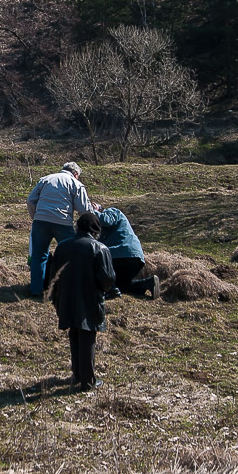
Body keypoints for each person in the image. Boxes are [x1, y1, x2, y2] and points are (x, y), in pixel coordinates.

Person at [44, 212, 115, 392]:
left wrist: (56, 297)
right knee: (88, 336)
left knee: (74, 333)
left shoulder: (63, 247)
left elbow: (53, 275)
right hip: (90, 298)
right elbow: (107, 279)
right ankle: (88, 381)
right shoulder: (100, 248)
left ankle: (77, 373)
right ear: (95, 228)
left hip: (66, 297)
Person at [26, 161, 97, 296]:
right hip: (63, 223)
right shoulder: (76, 184)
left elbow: (31, 200)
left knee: (39, 256)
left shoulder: (46, 179)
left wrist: (35, 217)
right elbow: (84, 209)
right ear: (75, 174)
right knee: (71, 255)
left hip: (40, 221)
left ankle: (36, 290)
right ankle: (69, 288)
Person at [96, 207, 161, 299]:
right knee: (122, 285)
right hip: (135, 258)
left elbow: (105, 220)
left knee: (98, 265)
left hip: (122, 254)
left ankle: (112, 290)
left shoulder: (111, 211)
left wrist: (92, 210)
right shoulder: (105, 233)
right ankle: (148, 283)